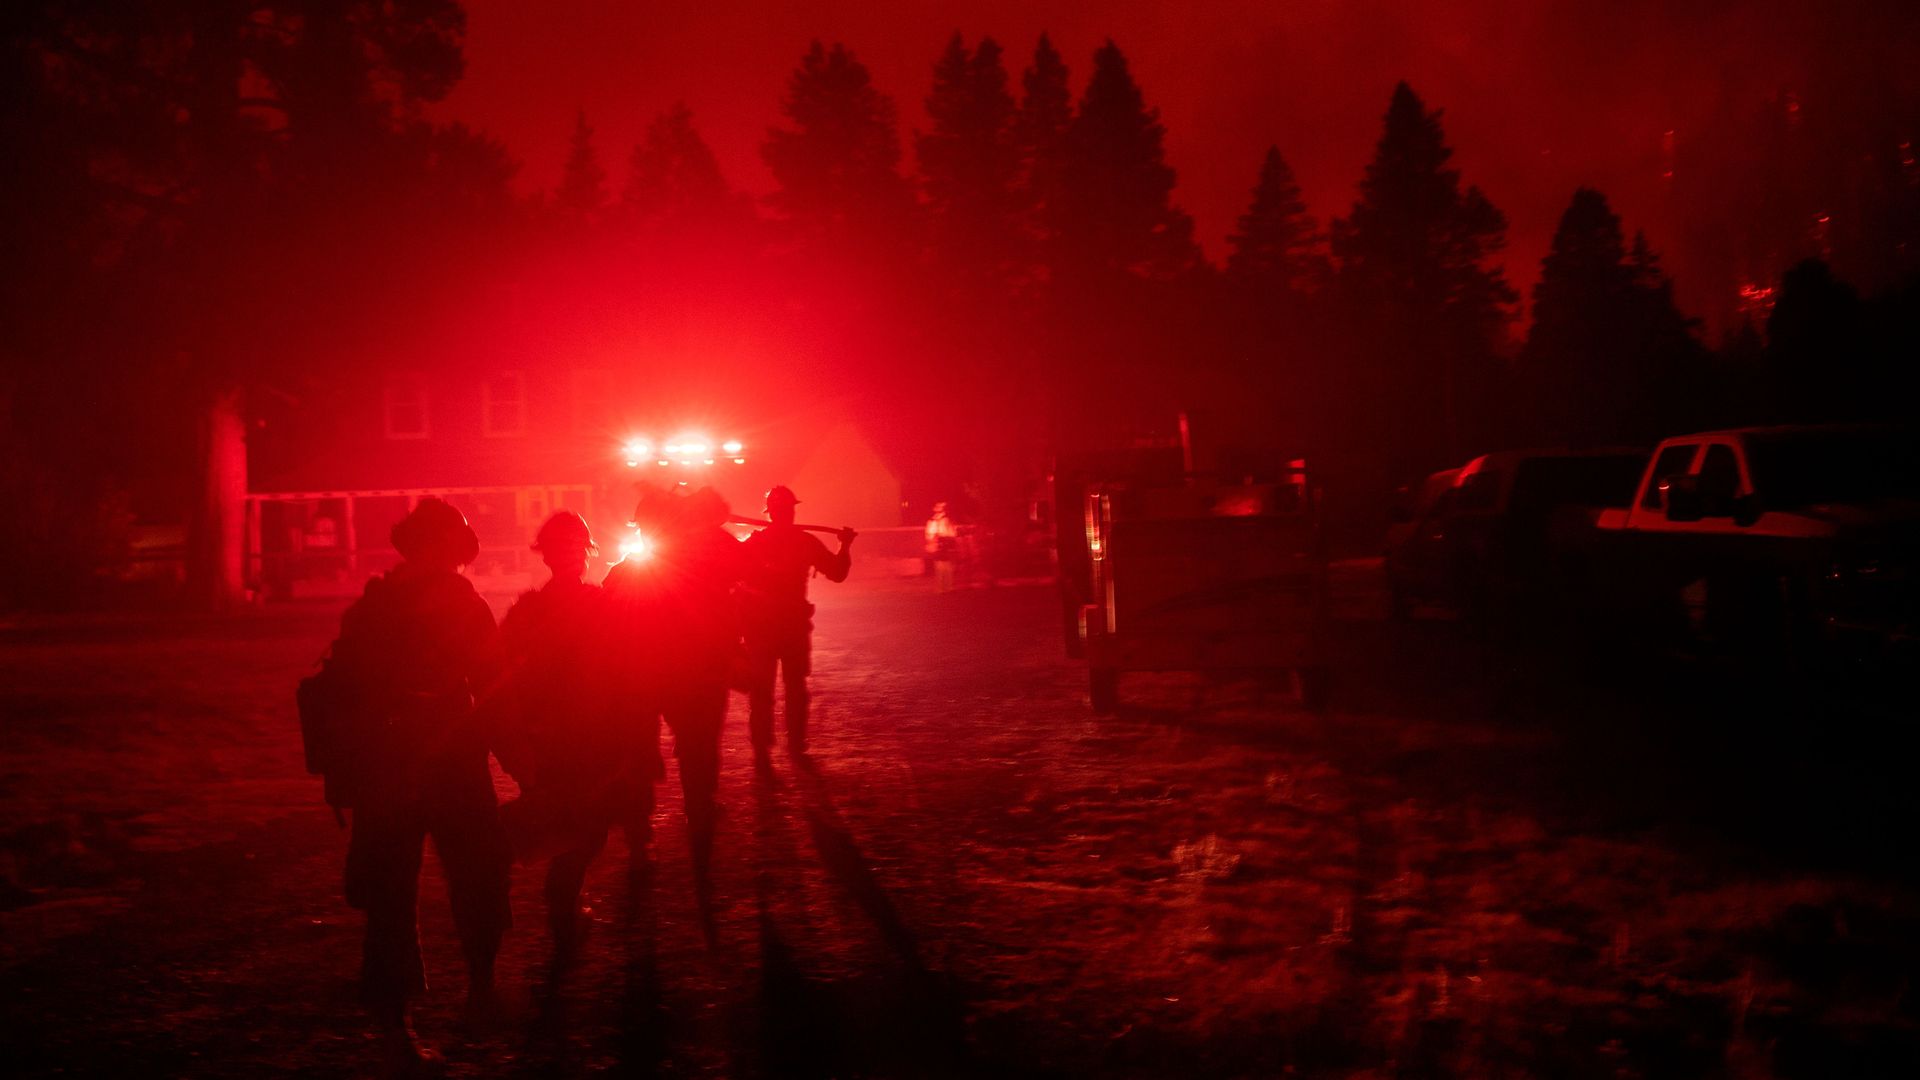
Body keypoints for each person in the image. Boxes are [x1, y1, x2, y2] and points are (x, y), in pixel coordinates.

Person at [324, 497, 509, 1075]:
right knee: (396, 896)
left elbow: (496, 683)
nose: (448, 560)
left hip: (425, 761)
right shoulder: (383, 609)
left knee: (471, 878)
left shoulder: (387, 606)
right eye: (443, 548)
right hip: (408, 763)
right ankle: (406, 1022)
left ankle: (474, 995)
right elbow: (339, 693)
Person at [487, 511, 630, 965]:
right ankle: (563, 903)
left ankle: (563, 902)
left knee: (577, 826)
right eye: (567, 545)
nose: (570, 553)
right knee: (585, 828)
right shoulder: (594, 606)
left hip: (565, 735)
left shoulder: (532, 611)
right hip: (580, 736)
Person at [602, 484, 746, 874]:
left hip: (657, 679)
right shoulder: (700, 565)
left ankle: (648, 834)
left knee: (650, 757)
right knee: (675, 756)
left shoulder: (632, 573)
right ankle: (677, 826)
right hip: (678, 678)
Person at [738, 486, 854, 766]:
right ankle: (795, 747)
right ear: (790, 511)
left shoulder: (754, 544)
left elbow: (728, 574)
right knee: (794, 689)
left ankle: (763, 751)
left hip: (763, 629)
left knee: (762, 691)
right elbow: (838, 573)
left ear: (771, 512)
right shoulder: (805, 542)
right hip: (790, 628)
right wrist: (845, 546)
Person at [925, 501, 958, 593]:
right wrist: (933, 540)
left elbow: (953, 533)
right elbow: (929, 535)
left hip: (946, 545)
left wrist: (947, 538)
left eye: (941, 508)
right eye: (938, 507)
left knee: (947, 567)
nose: (939, 510)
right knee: (940, 567)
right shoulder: (932, 521)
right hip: (938, 546)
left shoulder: (947, 520)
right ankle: (941, 588)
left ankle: (948, 587)